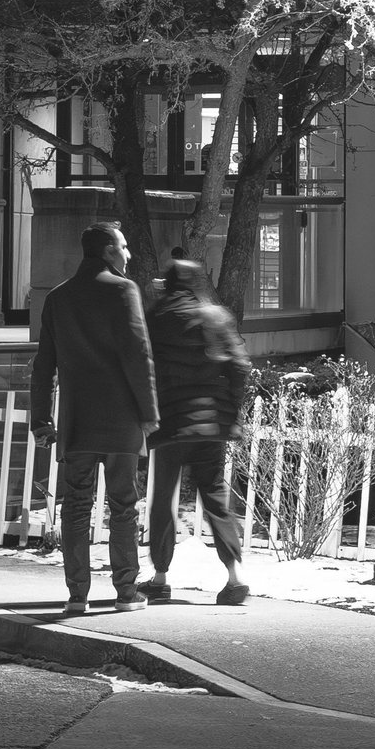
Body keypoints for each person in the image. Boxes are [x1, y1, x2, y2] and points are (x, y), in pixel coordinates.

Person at [30, 222, 159, 614]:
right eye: (123, 246)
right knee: (123, 505)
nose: (128, 254)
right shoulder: (123, 290)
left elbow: (43, 364)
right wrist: (149, 412)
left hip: (77, 421)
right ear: (106, 251)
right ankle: (125, 593)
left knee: (76, 506)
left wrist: (41, 420)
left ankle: (77, 595)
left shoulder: (58, 298)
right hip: (120, 419)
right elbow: (138, 355)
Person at [141, 258, 252, 605]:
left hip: (171, 423)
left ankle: (159, 577)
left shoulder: (157, 318)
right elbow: (239, 366)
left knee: (163, 499)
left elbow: (144, 365)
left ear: (168, 284)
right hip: (211, 424)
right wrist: (230, 410)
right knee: (216, 496)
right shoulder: (217, 317)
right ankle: (234, 578)